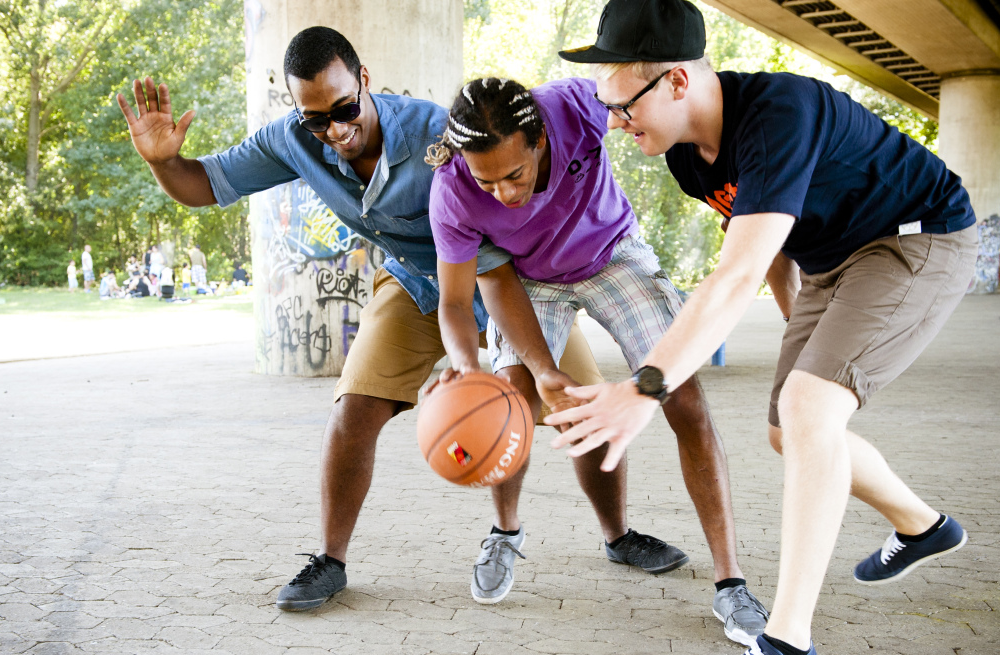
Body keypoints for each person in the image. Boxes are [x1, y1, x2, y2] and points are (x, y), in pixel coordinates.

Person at [551, 0, 979, 655]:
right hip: (830, 263)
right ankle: (924, 527)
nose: (618, 129)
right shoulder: (688, 157)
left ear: (679, 83)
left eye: (624, 110)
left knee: (811, 409)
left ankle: (787, 649)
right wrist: (803, 335)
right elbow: (767, 241)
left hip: (917, 238)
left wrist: (646, 385)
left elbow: (732, 276)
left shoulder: (781, 110)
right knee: (791, 426)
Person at [118, 26, 627, 611]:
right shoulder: (294, 141)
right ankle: (330, 561)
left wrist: (529, 361)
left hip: (503, 279)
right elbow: (204, 184)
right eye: (315, 119)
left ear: (364, 82)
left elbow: (501, 234)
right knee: (353, 409)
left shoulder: (436, 131)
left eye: (343, 108)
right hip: (412, 280)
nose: (334, 129)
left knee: (580, 405)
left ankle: (618, 534)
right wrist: (163, 161)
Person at [428, 75, 765, 636]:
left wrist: (726, 192)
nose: (506, 194)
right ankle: (505, 535)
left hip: (613, 254)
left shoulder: (575, 106)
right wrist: (466, 372)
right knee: (506, 398)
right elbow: (457, 303)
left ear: (537, 139)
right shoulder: (453, 190)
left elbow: (665, 114)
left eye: (515, 175)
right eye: (489, 183)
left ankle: (731, 584)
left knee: (683, 398)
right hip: (529, 279)